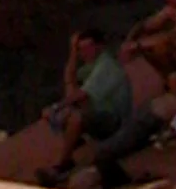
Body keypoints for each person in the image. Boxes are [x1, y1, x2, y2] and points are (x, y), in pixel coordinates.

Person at [33, 26, 134, 179]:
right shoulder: (92, 66)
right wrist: (73, 53)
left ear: (99, 46)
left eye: (88, 48)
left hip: (115, 119)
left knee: (75, 116)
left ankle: (63, 165)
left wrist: (56, 107)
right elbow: (70, 80)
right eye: (81, 49)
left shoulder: (106, 65)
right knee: (68, 111)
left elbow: (80, 94)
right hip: (101, 113)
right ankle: (74, 142)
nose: (85, 53)